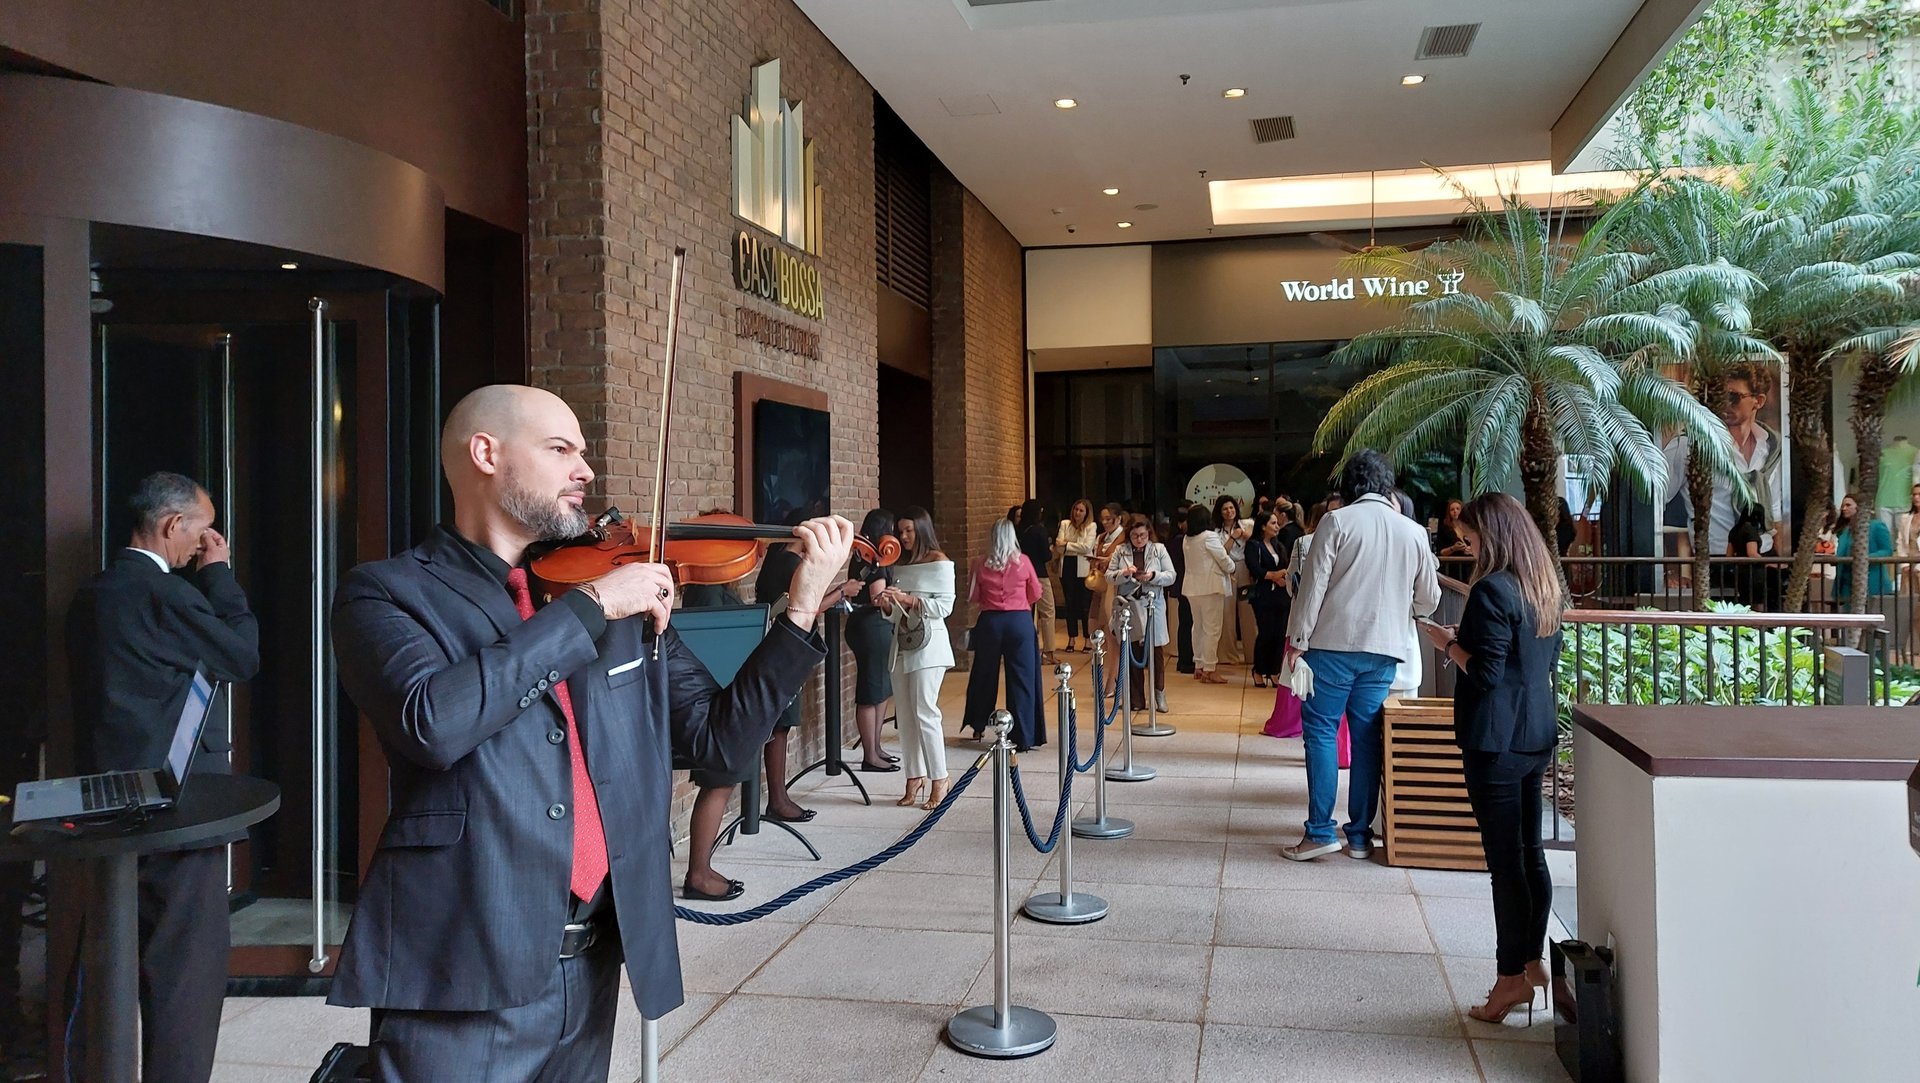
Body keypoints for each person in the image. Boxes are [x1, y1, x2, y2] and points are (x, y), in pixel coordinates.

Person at [327, 385, 853, 1080]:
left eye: (582, 451)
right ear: (486, 453)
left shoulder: (611, 590)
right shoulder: (388, 592)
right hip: (461, 971)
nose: (586, 471)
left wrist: (802, 609)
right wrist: (590, 607)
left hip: (595, 960)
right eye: (560, 449)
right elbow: (432, 721)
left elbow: (721, 743)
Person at [64, 471, 261, 1083]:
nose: (206, 543)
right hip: (178, 805)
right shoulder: (165, 593)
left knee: (107, 957)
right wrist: (220, 574)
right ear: (174, 525)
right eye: (203, 532)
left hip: (105, 800)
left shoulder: (92, 594)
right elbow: (241, 655)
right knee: (185, 966)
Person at [1418, 493, 1563, 1024]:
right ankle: (1533, 963)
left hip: (1495, 741)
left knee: (1505, 865)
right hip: (1536, 734)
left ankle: (1508, 983)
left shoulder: (1492, 589)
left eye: (1472, 535)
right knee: (1531, 853)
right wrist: (1471, 641)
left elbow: (1484, 674)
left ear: (1494, 535)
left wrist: (1446, 644)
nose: (1466, 543)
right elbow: (1538, 655)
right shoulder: (1543, 585)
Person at [1284, 450, 1441, 862]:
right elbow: (1429, 598)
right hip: (1386, 649)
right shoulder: (1413, 532)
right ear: (1387, 484)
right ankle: (1358, 836)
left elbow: (1312, 588)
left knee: (1320, 732)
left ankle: (1320, 831)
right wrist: (1411, 611)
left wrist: (1298, 640)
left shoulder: (1337, 522)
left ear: (1349, 486)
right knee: (1368, 737)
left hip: (1333, 646)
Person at [878, 506, 956, 809]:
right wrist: (887, 604)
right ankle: (914, 777)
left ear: (922, 530)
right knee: (906, 716)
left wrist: (908, 599)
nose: (904, 536)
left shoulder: (941, 563)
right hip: (902, 643)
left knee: (925, 711)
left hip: (930, 644)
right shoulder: (901, 564)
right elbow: (895, 616)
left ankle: (940, 778)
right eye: (901, 531)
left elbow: (945, 608)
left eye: (909, 530)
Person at [964, 519, 1046, 751]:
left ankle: (978, 724)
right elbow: (1036, 593)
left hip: (990, 622)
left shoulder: (979, 563)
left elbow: (973, 596)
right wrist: (1018, 603)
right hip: (1019, 620)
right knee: (1022, 678)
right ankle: (1024, 734)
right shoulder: (1024, 562)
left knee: (984, 674)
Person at [846, 508, 900, 773]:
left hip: (869, 626)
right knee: (870, 689)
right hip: (871, 624)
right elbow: (878, 599)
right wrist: (897, 595)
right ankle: (870, 754)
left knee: (881, 687)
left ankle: (876, 747)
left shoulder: (864, 552)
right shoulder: (873, 559)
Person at [1107, 514, 1175, 712]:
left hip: (1152, 604)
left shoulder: (1158, 549)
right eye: (1135, 536)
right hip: (1130, 605)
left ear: (1149, 533)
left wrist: (1153, 576)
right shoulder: (1121, 551)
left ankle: (1159, 694)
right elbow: (1109, 576)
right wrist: (1124, 573)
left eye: (1143, 535)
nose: (1139, 539)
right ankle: (1136, 699)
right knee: (1133, 651)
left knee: (1156, 652)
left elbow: (1171, 575)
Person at [1181, 504, 1234, 685]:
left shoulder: (1187, 539)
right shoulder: (1209, 536)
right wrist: (1232, 568)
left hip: (1192, 588)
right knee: (1212, 629)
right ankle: (1210, 669)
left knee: (1198, 627)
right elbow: (1224, 559)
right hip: (1210, 587)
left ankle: (1199, 664)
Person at [1245, 509, 1290, 688]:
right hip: (1263, 595)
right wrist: (1274, 575)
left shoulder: (1278, 545)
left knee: (1279, 634)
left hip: (1281, 595)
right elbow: (1255, 569)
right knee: (1265, 633)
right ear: (1263, 526)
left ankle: (1274, 670)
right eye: (1272, 523)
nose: (1276, 526)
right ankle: (1259, 669)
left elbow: (1286, 566)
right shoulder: (1253, 545)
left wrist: (1282, 577)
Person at [1017, 499, 1059, 666]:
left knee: (1025, 611)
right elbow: (1046, 556)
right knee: (1048, 611)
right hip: (1039, 575)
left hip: (1021, 575)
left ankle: (1023, 649)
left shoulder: (1018, 530)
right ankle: (1049, 652)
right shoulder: (1039, 531)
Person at [1833, 493, 1895, 603]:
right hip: (1847, 583)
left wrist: (1864, 558)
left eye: (1848, 505)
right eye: (1843, 506)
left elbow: (1887, 550)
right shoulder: (1845, 530)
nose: (1844, 508)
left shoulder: (1876, 526)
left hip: (1870, 580)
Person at [1213, 495, 1253, 666]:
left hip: (1246, 568)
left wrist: (1242, 534)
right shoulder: (1216, 532)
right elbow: (1221, 552)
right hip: (1226, 570)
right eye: (1225, 509)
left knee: (1248, 612)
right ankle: (1228, 655)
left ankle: (1252, 654)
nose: (1229, 512)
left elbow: (1254, 540)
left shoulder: (1247, 524)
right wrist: (1233, 537)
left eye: (1231, 508)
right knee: (1227, 613)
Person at [1056, 499, 1098, 653]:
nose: (1077, 513)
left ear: (1086, 513)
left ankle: (1087, 639)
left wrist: (1067, 544)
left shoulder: (1091, 526)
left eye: (1081, 510)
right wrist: (1067, 547)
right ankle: (1071, 638)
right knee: (1070, 604)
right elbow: (1058, 548)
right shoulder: (1065, 524)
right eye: (1076, 509)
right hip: (1067, 566)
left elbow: (1087, 547)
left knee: (1085, 605)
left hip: (1083, 569)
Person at [1087, 503, 1126, 637]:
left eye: (1109, 519)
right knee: (1094, 620)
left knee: (1109, 623)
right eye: (1103, 519)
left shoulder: (1125, 537)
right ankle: (1097, 652)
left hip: (1115, 586)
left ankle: (1110, 656)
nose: (1105, 522)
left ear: (1118, 518)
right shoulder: (1101, 537)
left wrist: (1110, 560)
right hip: (1100, 583)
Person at [1435, 498, 1471, 563]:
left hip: (1469, 566)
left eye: (1458, 509)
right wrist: (1453, 548)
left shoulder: (1469, 528)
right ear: (1449, 513)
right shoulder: (1444, 529)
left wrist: (1471, 550)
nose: (1455, 511)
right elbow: (1441, 552)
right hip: (1453, 566)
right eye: (1452, 509)